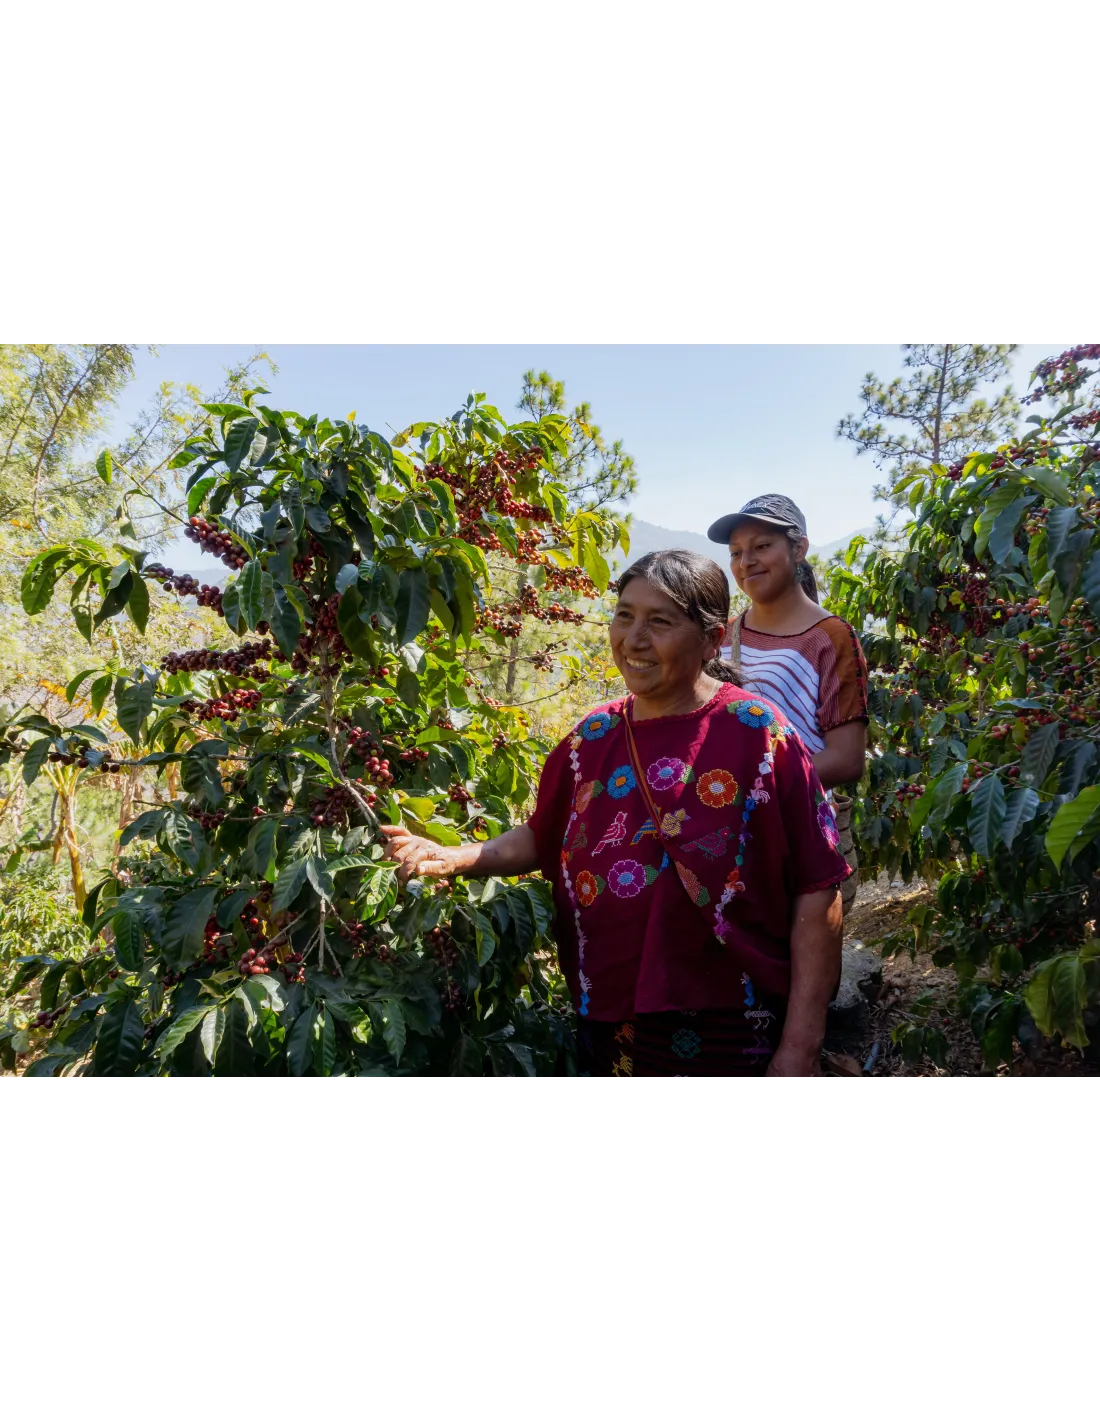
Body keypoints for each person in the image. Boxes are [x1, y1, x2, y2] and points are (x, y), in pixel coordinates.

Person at [380, 549, 851, 1080]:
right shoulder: (592, 738)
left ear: (712, 639)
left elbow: (819, 887)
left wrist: (800, 1048)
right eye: (624, 616)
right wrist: (450, 856)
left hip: (733, 1020)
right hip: (609, 1013)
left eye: (660, 622)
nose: (633, 639)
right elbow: (540, 835)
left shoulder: (758, 734)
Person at [706, 494, 869, 793]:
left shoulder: (830, 638)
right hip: (723, 811)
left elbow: (847, 760)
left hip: (790, 818)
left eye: (762, 546)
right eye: (736, 552)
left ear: (799, 549)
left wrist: (753, 787)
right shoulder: (723, 636)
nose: (746, 562)